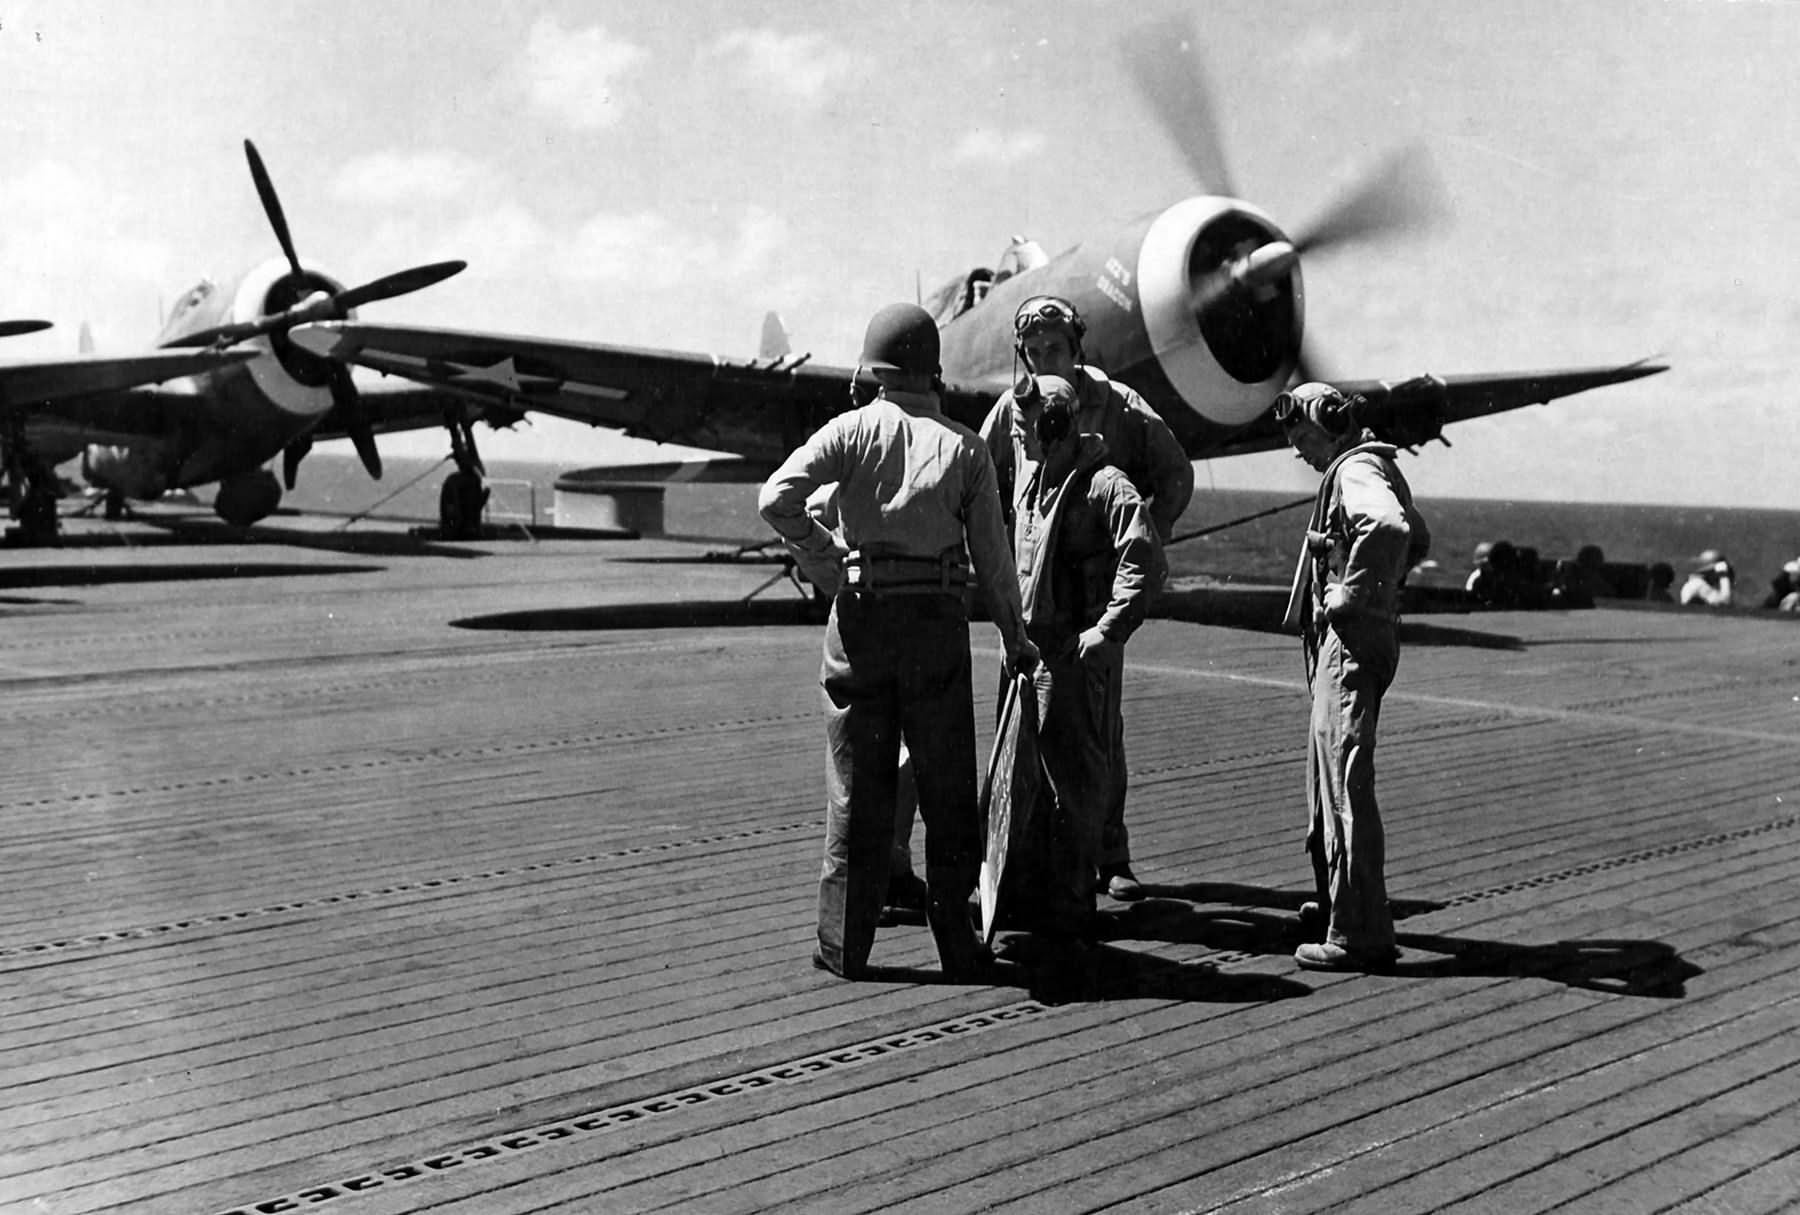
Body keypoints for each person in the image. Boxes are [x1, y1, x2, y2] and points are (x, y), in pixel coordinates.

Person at [758, 302, 1038, 981]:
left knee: (857, 789)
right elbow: (995, 563)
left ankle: (843, 946)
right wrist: (1016, 638)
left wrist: (828, 560)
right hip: (935, 626)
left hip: (859, 621)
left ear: (872, 371)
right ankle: (959, 947)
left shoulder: (849, 431)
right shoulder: (967, 449)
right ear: (933, 371)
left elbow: (776, 498)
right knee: (946, 787)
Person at [979, 295, 1194, 901]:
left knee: (1097, 737)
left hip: (1089, 613)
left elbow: (1176, 475)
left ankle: (1109, 854)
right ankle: (1021, 869)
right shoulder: (1015, 408)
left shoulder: (1121, 406)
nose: (1045, 359)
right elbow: (978, 476)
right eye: (1034, 351)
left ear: (1078, 349)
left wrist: (1145, 542)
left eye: (1056, 349)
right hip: (1027, 607)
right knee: (1018, 738)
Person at [1277, 382, 1430, 972]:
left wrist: (1350, 593)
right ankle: (1338, 906)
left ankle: (1358, 933)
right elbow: (1419, 537)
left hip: (1348, 646)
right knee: (1331, 780)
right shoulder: (1375, 465)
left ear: (1328, 423)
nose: (1301, 453)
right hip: (1360, 640)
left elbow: (1389, 529)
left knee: (1344, 786)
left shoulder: (1355, 470)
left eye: (1304, 438)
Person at [1004, 376, 1159, 956]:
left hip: (1071, 656)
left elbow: (1144, 557)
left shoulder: (1104, 484)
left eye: (1025, 429)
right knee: (1024, 783)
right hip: (1027, 655)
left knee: (1073, 787)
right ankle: (1028, 897)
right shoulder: (1034, 480)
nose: (1019, 440)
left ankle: (1071, 908)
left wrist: (1108, 630)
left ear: (1053, 426)